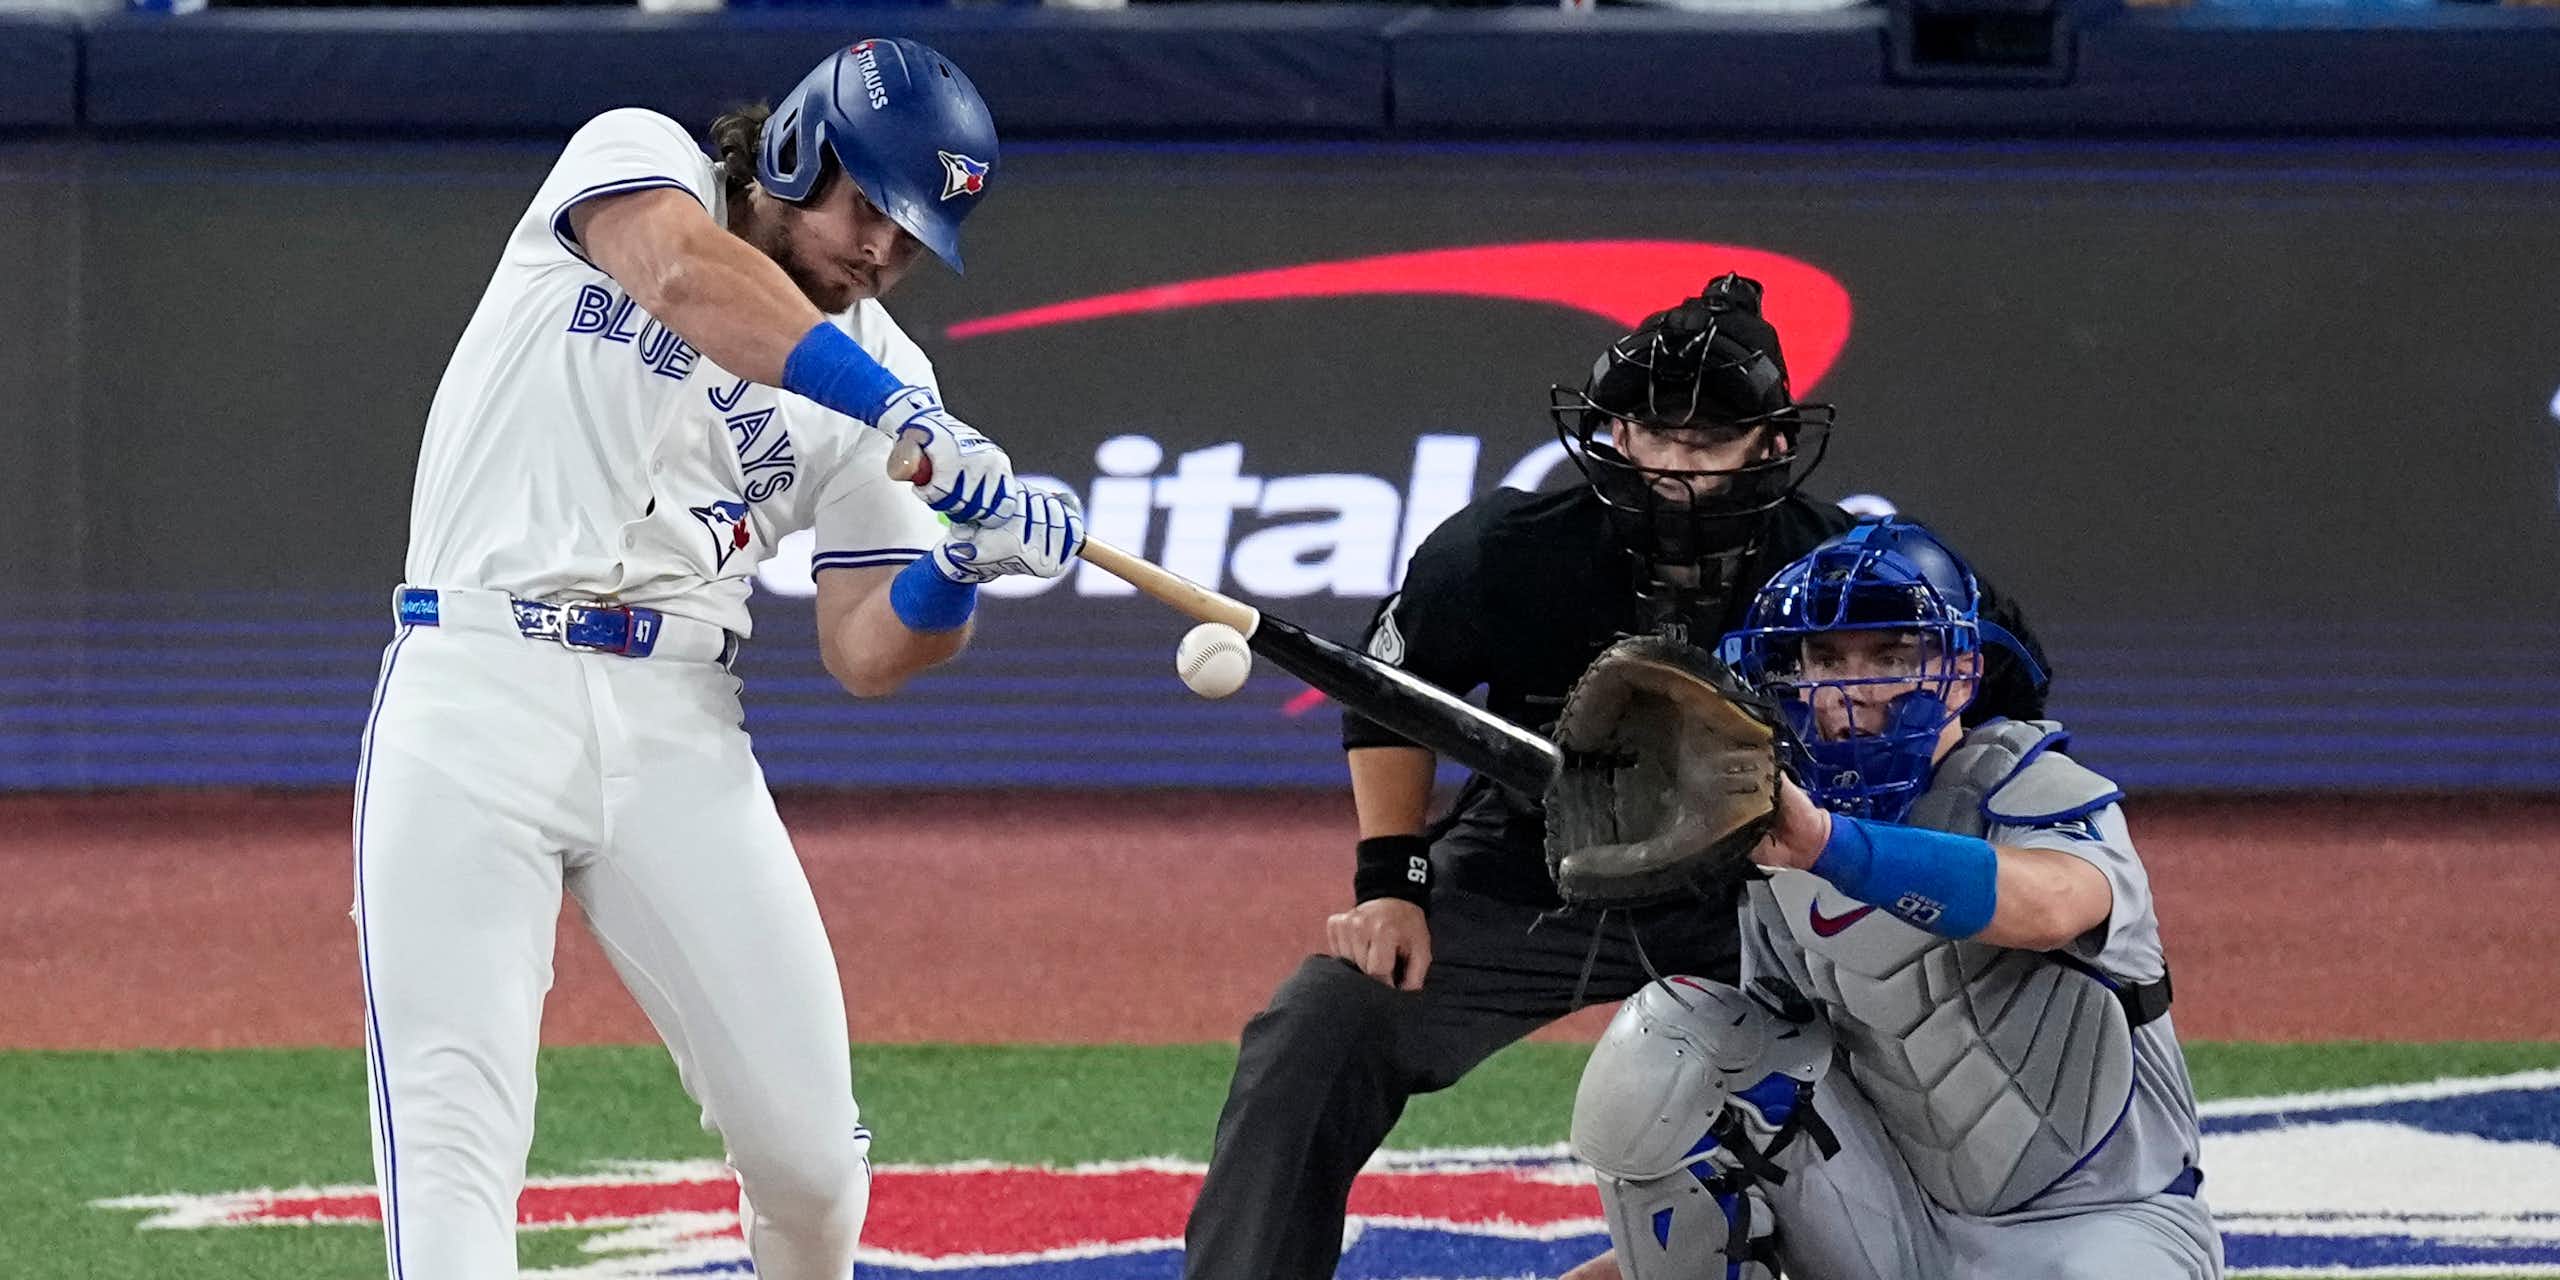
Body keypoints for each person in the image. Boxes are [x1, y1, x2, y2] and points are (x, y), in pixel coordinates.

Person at [351, 39, 1085, 1279]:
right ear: (797, 149)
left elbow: (867, 646)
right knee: (452, 1142)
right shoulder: (637, 157)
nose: (881, 252)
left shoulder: (890, 369)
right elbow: (688, 275)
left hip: (679, 724)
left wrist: (958, 566)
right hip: (474, 678)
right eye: (868, 208)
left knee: (813, 1165)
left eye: (913, 237)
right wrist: (897, 414)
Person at [1180, 275, 2050, 1278]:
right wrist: (1391, 884)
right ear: (1612, 432)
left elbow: (1999, 687)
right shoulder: (1505, 551)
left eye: (1707, 439)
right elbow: (1391, 696)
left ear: (1770, 442)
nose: (1673, 465)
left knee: (1933, 1065)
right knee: (1324, 1021)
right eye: (1652, 433)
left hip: (1771, 890)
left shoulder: (1843, 569)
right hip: (1537, 863)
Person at [1560, 518, 2218, 1280]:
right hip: (1899, 1229)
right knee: (1679, 1040)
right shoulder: (1777, 847)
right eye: (1826, 658)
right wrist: (1650, 1261)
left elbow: (2051, 909)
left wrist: (1828, 846)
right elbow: (1766, 1108)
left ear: (1963, 673)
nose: (1852, 688)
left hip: (2104, 1225)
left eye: (1891, 657)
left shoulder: (2038, 790)